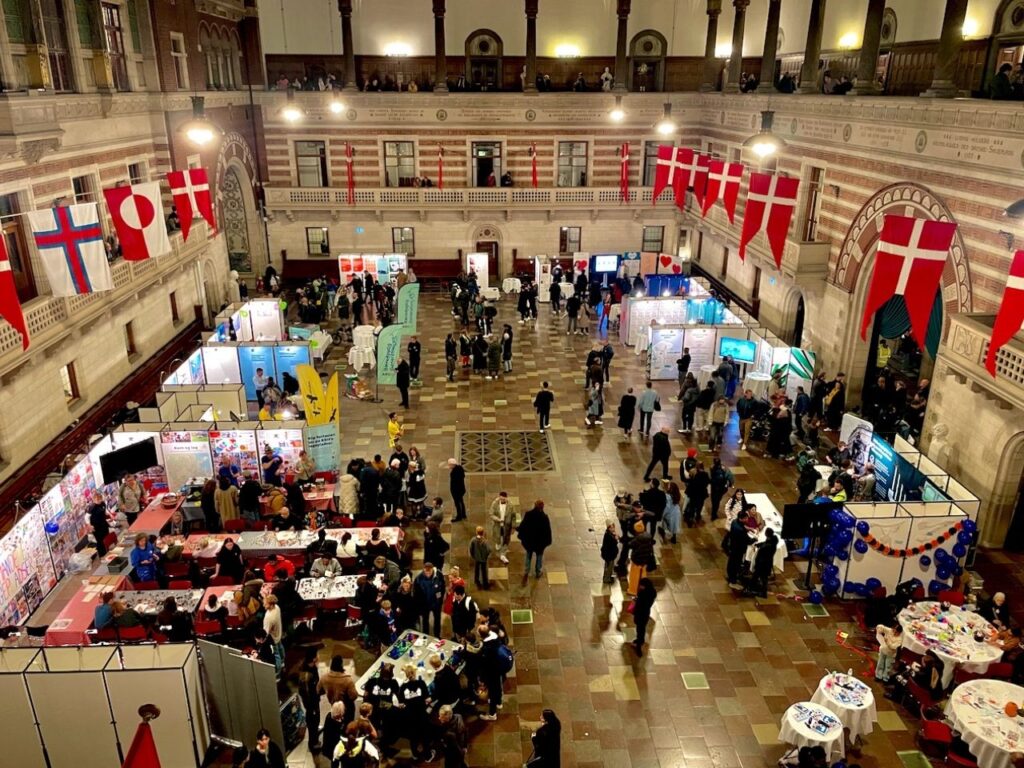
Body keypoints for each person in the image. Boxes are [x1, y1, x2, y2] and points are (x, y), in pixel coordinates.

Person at [400, 664, 435, 762]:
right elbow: (427, 699)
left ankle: (415, 754)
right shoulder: (421, 683)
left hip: (410, 715)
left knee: (413, 736)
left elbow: (401, 703)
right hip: (421, 714)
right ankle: (428, 756)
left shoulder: (403, 687)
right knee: (425, 735)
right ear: (415, 673)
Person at [518, 500, 552, 579]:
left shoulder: (528, 515)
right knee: (539, 556)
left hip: (529, 541)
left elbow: (523, 526)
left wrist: (519, 532)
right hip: (540, 543)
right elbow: (548, 531)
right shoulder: (544, 518)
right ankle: (538, 571)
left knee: (528, 555)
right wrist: (547, 541)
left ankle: (527, 570)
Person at [415, 562, 446, 636]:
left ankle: (437, 635)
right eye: (426, 572)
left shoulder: (439, 575)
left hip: (436, 603)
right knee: (425, 621)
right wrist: (420, 606)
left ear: (432, 569)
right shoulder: (419, 579)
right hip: (425, 604)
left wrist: (440, 600)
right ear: (424, 570)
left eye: (430, 572)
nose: (428, 574)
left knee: (437, 620)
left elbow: (442, 588)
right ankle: (426, 635)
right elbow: (417, 594)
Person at [745, 528, 778, 597]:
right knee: (761, 577)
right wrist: (759, 544)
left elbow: (762, 554)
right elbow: (765, 543)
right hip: (766, 563)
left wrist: (757, 563)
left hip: (762, 564)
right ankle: (755, 589)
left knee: (760, 577)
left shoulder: (767, 546)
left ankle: (759, 591)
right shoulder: (772, 541)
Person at [489, 491, 518, 565]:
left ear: (506, 498)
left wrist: (514, 527)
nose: (502, 500)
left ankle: (503, 554)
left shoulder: (510, 506)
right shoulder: (495, 504)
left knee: (506, 540)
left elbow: (514, 516)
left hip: (507, 526)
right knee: (498, 537)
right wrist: (498, 519)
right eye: (500, 499)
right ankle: (498, 543)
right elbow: (491, 514)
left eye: (503, 499)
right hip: (498, 525)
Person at [632, 577, 657, 656]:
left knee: (640, 630)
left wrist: (636, 600)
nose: (639, 586)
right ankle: (640, 640)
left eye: (641, 585)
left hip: (640, 613)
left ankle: (639, 645)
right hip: (646, 613)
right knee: (641, 628)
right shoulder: (653, 592)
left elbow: (640, 603)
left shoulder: (643, 593)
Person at [726, 511, 751, 587]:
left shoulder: (735, 522)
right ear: (742, 519)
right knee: (736, 564)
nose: (747, 519)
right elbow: (747, 541)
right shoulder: (740, 530)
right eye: (746, 518)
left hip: (733, 546)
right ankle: (732, 580)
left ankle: (730, 576)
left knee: (731, 562)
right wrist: (755, 539)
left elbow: (743, 528)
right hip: (738, 549)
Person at [438, 703, 468, 768]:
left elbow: (454, 748)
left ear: (447, 718)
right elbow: (465, 732)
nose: (439, 718)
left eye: (441, 716)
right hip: (461, 749)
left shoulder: (447, 732)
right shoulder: (459, 717)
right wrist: (465, 746)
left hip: (452, 755)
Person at [627, 521, 653, 595]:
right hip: (644, 561)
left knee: (634, 576)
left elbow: (629, 545)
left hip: (636, 561)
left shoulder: (637, 539)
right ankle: (643, 590)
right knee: (643, 575)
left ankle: (633, 590)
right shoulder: (648, 537)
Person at [683, 462, 710, 526]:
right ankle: (698, 517)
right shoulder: (705, 474)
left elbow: (691, 484)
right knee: (699, 506)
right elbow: (708, 482)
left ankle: (690, 520)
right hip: (701, 494)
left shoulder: (695, 474)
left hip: (694, 494)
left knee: (692, 507)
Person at [88, 490, 110, 556]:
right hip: (97, 527)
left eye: (99, 499)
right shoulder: (92, 508)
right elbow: (87, 517)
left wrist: (110, 515)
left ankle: (108, 551)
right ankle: (102, 555)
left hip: (104, 524)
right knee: (100, 541)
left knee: (106, 537)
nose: (98, 500)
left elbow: (105, 510)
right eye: (97, 499)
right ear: (94, 500)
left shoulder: (103, 503)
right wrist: (90, 525)